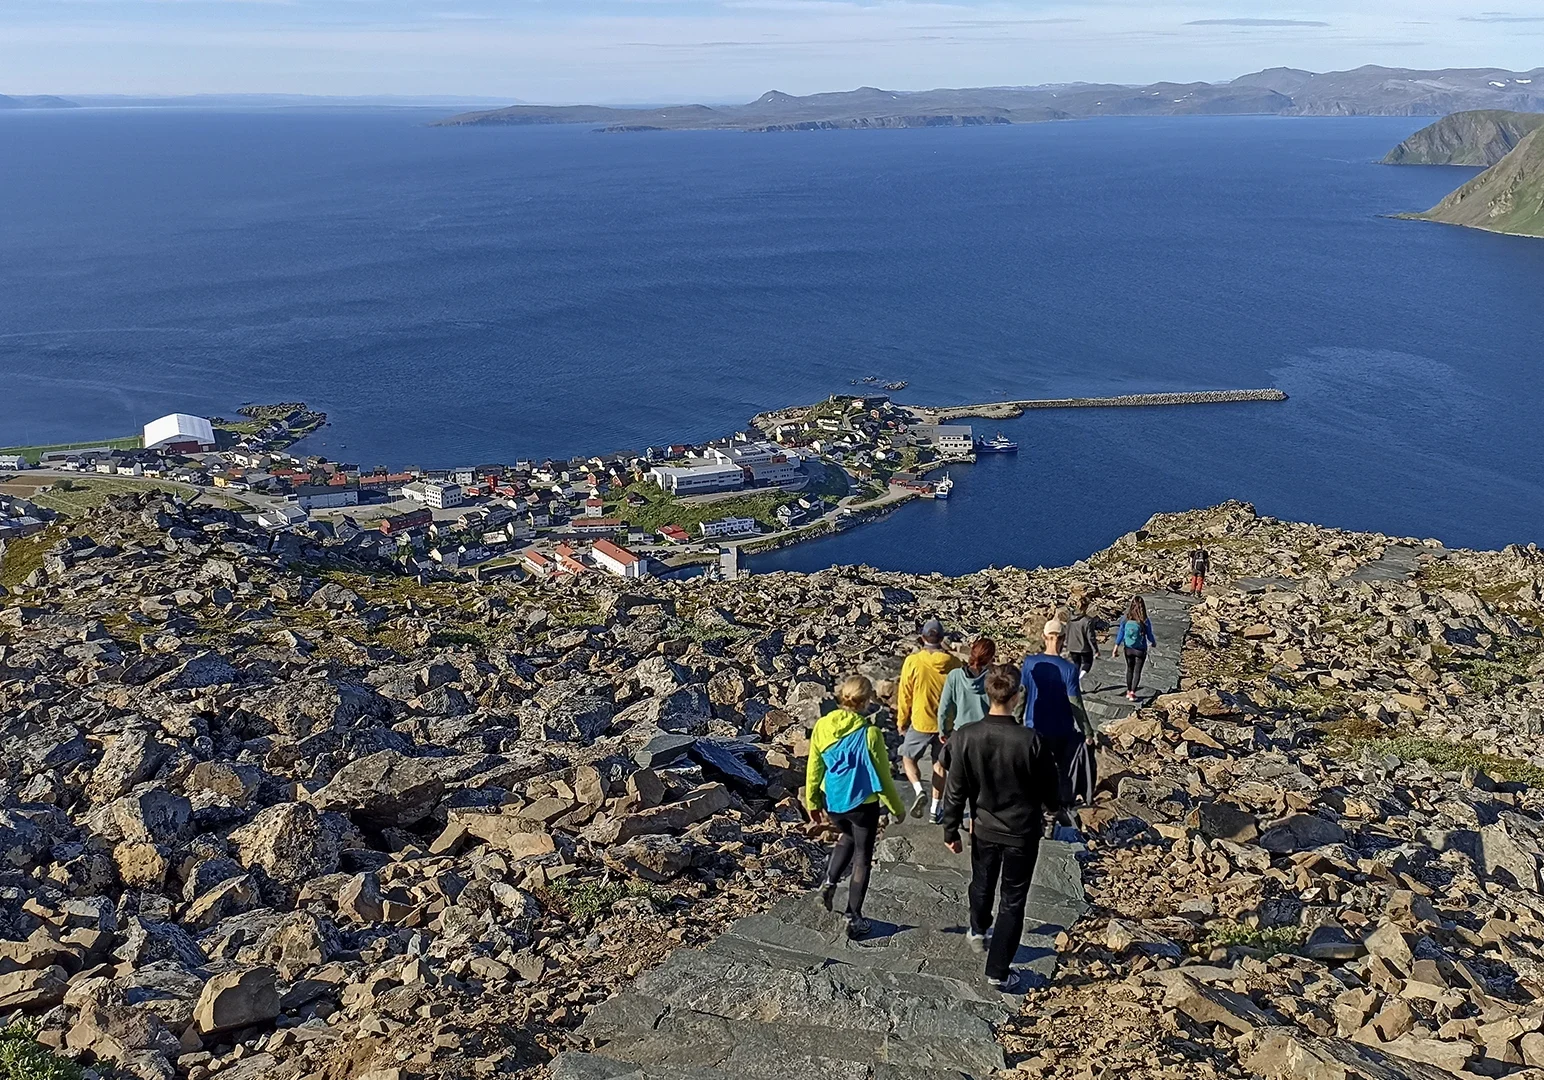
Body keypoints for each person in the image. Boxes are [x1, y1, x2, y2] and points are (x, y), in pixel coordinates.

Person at [941, 664, 1062, 993]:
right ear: (1016, 694)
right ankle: (998, 970)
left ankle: (978, 929)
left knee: (981, 881)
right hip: (1022, 832)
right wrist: (1053, 809)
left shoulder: (965, 736)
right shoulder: (1030, 740)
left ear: (989, 693)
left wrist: (950, 830)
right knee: (1013, 900)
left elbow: (955, 790)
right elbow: (1051, 789)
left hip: (983, 827)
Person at [806, 674, 907, 939]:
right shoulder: (870, 733)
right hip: (863, 805)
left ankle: (828, 885)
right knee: (862, 856)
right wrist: (896, 808)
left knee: (845, 835)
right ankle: (853, 917)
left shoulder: (822, 726)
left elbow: (814, 765)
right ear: (866, 702)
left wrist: (812, 800)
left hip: (834, 803)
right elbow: (883, 778)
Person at [1019, 618, 1095, 816]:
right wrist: (1087, 731)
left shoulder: (1029, 663)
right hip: (1061, 728)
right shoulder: (1069, 669)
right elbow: (1075, 704)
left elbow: (1021, 695)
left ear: (1044, 637)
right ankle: (1054, 810)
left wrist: (1015, 721)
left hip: (1033, 725)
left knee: (1033, 769)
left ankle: (1034, 807)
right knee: (1060, 770)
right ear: (1063, 639)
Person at [895, 618, 961, 820]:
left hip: (921, 720)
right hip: (946, 725)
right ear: (941, 639)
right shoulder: (954, 663)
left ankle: (918, 789)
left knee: (908, 757)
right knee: (939, 765)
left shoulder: (913, 661)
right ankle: (935, 809)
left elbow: (905, 693)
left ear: (922, 638)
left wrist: (902, 720)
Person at [930, 637, 997, 824]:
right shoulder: (992, 678)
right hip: (985, 734)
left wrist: (943, 730)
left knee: (957, 780)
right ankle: (978, 821)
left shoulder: (954, 676)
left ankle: (954, 818)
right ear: (990, 657)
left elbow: (944, 707)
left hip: (960, 734)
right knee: (981, 781)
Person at [1110, 595, 1157, 702]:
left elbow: (1121, 633)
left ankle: (1128, 690)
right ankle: (1132, 692)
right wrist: (1153, 642)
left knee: (1129, 669)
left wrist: (1116, 647)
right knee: (1137, 671)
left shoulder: (1125, 618)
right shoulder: (1144, 620)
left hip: (1128, 648)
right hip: (1140, 649)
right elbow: (1149, 635)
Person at [1063, 597, 1101, 685]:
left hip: (1072, 646)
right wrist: (1095, 649)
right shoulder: (1087, 620)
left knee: (1076, 664)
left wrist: (1066, 643)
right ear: (1086, 607)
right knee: (1088, 663)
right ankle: (1079, 679)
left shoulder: (1070, 618)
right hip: (1084, 647)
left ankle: (1073, 682)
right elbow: (1091, 636)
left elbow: (1067, 631)